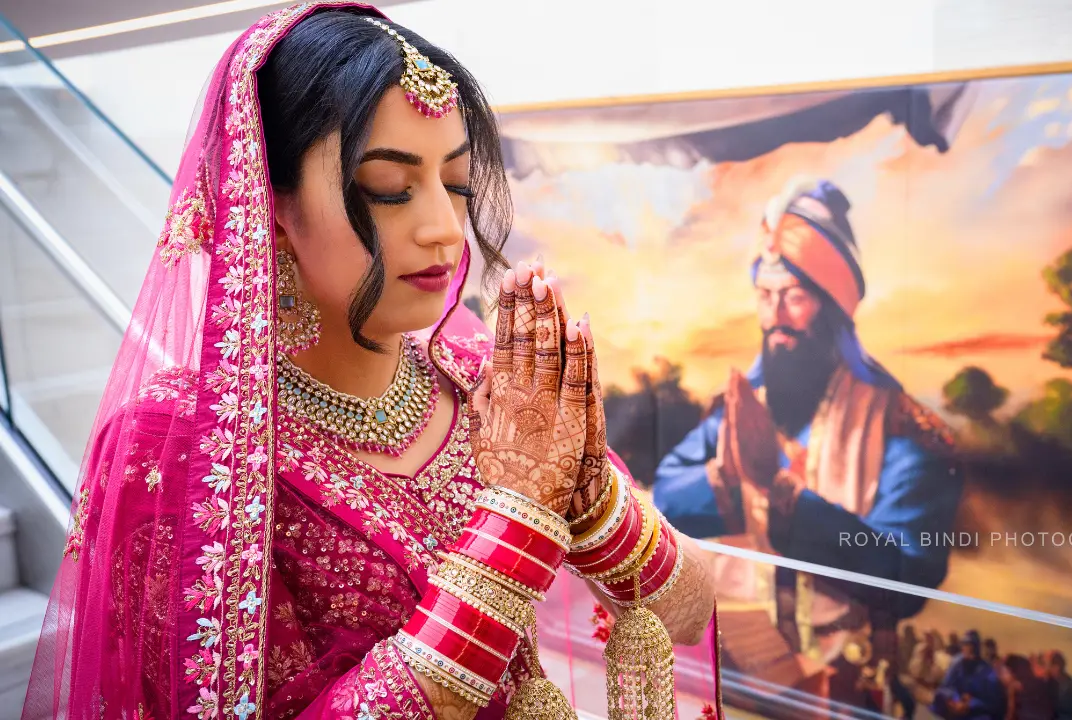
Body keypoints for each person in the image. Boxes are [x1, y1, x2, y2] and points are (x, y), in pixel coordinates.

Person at [21, 4, 717, 719]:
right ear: (271, 204)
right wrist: (519, 520)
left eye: (458, 185)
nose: (446, 230)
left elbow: (691, 610)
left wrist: (587, 496)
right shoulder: (180, 448)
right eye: (389, 189)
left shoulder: (479, 375)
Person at [651, 177, 961, 713]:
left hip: (837, 681)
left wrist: (790, 506)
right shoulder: (739, 410)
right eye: (766, 297)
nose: (777, 316)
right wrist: (727, 483)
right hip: (728, 671)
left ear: (833, 306)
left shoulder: (900, 426)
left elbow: (909, 574)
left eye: (795, 297)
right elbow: (665, 499)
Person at [932, 631, 1006, 720]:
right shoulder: (957, 663)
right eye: (965, 644)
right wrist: (955, 699)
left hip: (975, 712)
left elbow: (993, 703)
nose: (967, 648)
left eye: (970, 645)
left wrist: (970, 703)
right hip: (954, 705)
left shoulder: (988, 672)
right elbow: (945, 686)